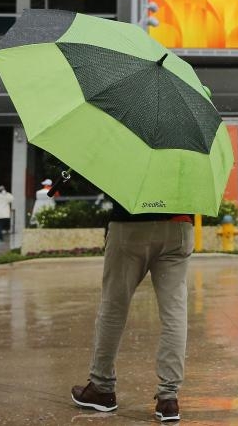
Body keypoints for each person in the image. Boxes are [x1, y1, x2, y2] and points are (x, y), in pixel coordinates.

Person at [71, 179, 195, 423]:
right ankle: (168, 399)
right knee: (174, 313)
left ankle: (102, 388)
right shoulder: (190, 143)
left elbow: (101, 180)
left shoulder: (126, 139)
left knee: (113, 308)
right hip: (179, 226)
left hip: (130, 224)